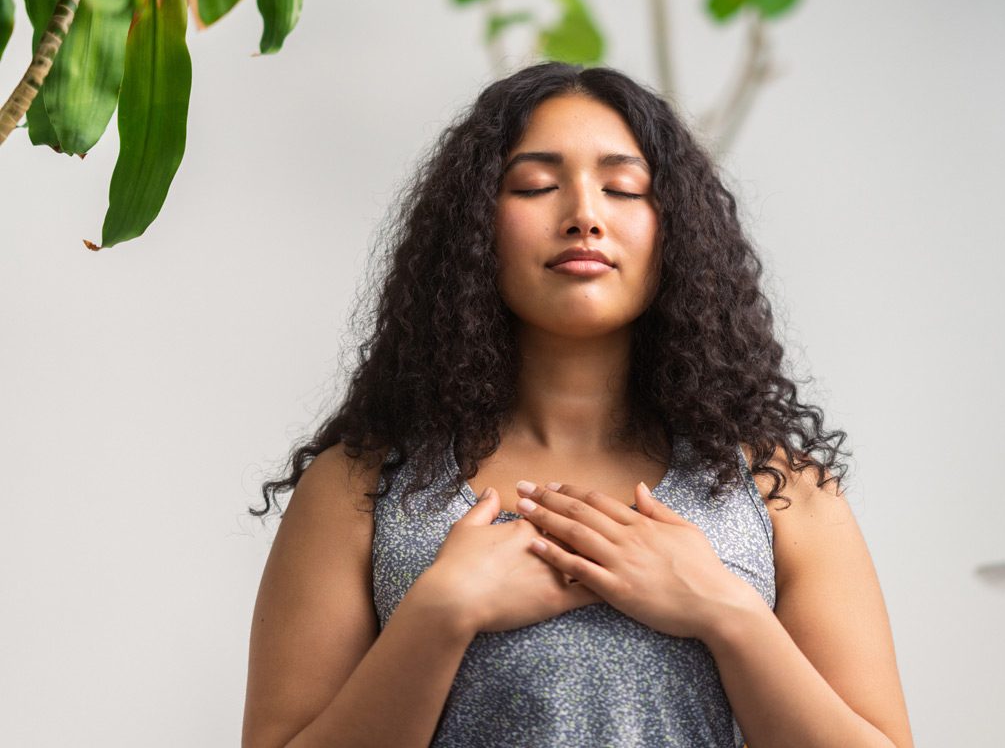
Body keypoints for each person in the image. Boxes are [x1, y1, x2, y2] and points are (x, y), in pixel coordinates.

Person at [241, 61, 914, 748]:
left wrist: (725, 610)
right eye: (536, 185)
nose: (584, 215)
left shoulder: (781, 490)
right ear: (474, 225)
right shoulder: (357, 487)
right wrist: (441, 612)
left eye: (623, 188)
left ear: (674, 229)